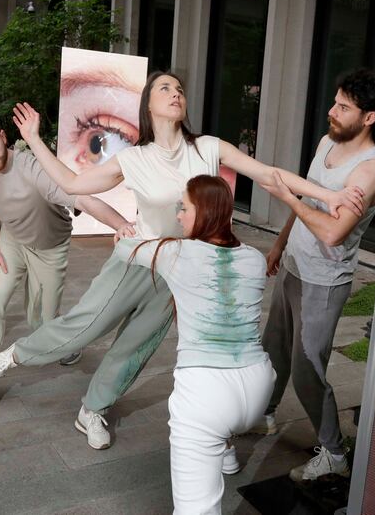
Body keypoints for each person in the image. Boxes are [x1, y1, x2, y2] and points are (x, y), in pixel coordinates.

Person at [0, 71, 363, 449]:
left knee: (136, 346)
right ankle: (16, 354)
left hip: (185, 268)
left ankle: (91, 410)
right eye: (164, 88)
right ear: (148, 104)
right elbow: (74, 185)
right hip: (139, 258)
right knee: (85, 327)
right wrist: (32, 139)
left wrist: (327, 197)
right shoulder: (134, 158)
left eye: (179, 88)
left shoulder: (208, 148)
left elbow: (270, 174)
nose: (175, 93)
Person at [252, 69, 375, 482]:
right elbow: (312, 198)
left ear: (368, 118)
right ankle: (264, 414)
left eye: (344, 107)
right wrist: (279, 245)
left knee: (308, 368)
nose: (332, 111)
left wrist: (288, 198)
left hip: (324, 281)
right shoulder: (327, 142)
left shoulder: (370, 172)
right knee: (273, 347)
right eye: (334, 101)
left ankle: (333, 451)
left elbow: (332, 231)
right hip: (294, 265)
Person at [0, 116, 133, 426]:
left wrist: (120, 224)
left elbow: (84, 199)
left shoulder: (31, 167)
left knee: (42, 320)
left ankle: (63, 341)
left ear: (3, 137)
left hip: (50, 247)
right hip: (12, 243)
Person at [121, 175, 274, 514]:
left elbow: (124, 250)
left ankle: (221, 445)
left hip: (207, 395)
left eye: (183, 208)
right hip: (259, 384)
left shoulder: (175, 253)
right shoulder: (255, 259)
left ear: (203, 211)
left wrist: (123, 231)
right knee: (220, 428)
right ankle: (226, 453)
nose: (178, 216)